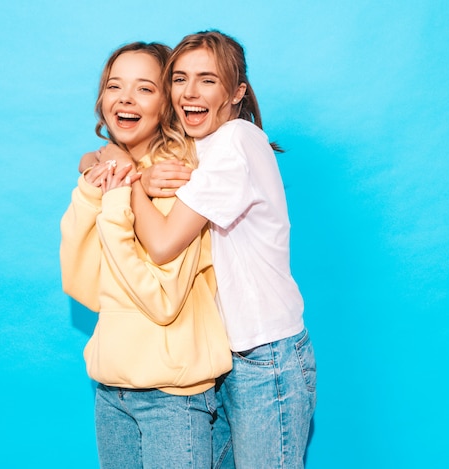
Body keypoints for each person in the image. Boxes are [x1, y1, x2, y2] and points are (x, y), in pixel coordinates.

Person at [129, 30, 317, 468]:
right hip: (220, 358)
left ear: (237, 93)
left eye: (207, 80)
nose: (190, 92)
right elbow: (106, 156)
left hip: (265, 356)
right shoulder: (197, 148)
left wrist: (132, 184)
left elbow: (161, 244)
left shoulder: (236, 139)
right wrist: (108, 164)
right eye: (179, 78)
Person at [60, 41, 232, 468]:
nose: (125, 98)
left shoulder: (178, 177)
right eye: (115, 86)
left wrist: (122, 197)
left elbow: (163, 301)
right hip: (112, 390)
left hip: (173, 398)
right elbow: (83, 287)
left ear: (166, 105)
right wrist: (96, 178)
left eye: (144, 88)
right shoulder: (111, 174)